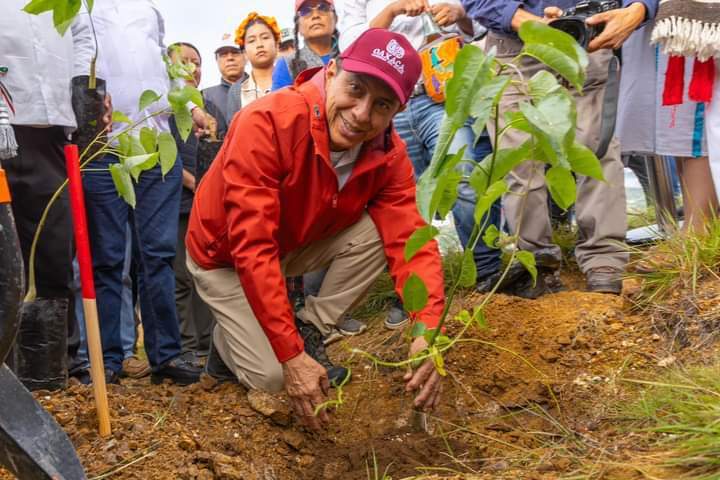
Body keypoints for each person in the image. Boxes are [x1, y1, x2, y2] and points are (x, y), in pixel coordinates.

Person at [186, 29, 444, 429]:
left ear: (398, 112)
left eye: (381, 105)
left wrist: (427, 330)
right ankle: (226, 346)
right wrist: (289, 357)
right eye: (355, 89)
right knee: (273, 379)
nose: (361, 113)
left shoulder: (390, 155)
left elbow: (410, 240)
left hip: (292, 243)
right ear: (333, 70)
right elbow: (252, 245)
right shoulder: (269, 120)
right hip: (224, 255)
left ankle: (309, 326)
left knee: (381, 231)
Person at [462, 0, 659, 295]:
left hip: (588, 36)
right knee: (518, 159)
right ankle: (535, 262)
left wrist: (637, 10)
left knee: (596, 150)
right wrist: (527, 22)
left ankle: (604, 261)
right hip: (515, 45)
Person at [340, 0, 501, 325]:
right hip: (387, 103)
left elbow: (479, 25)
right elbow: (352, 46)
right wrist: (394, 10)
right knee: (404, 203)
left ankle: (489, 271)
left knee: (465, 174)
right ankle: (411, 293)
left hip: (441, 95)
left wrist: (460, 15)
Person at [72, 0, 203, 385]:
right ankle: (110, 358)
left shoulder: (149, 11)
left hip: (156, 143)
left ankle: (166, 356)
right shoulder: (79, 9)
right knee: (108, 258)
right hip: (103, 148)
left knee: (158, 255)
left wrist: (191, 105)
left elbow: (167, 69)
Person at [0, 0, 78, 389]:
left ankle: (46, 373)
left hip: (50, 131)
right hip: (6, 126)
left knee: (52, 248)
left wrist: (84, 84)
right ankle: (8, 374)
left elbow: (82, 37)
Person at [618, 25, 717, 240]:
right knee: (678, 127)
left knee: (694, 125)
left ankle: (698, 231)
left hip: (697, 25)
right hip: (668, 25)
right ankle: (695, 225)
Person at [168, 42, 216, 360]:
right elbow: (166, 156)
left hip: (208, 205)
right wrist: (195, 184)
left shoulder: (210, 106)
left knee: (208, 274)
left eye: (196, 62)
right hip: (177, 205)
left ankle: (210, 345)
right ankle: (187, 346)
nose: (191, 68)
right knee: (181, 277)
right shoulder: (164, 108)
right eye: (183, 62)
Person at [272, 0, 339, 91]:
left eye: (323, 8)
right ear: (298, 26)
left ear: (335, 18)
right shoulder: (286, 64)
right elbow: (281, 104)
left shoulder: (351, 54)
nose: (315, 16)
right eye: (305, 11)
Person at [226, 12, 281, 119]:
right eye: (252, 41)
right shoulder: (237, 91)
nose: (259, 44)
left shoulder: (293, 80)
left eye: (265, 38)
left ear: (277, 45)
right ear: (244, 53)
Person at [203, 40, 247, 139]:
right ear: (217, 61)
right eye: (223, 55)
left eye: (235, 53)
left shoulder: (262, 87)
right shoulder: (205, 96)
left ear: (246, 57)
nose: (230, 58)